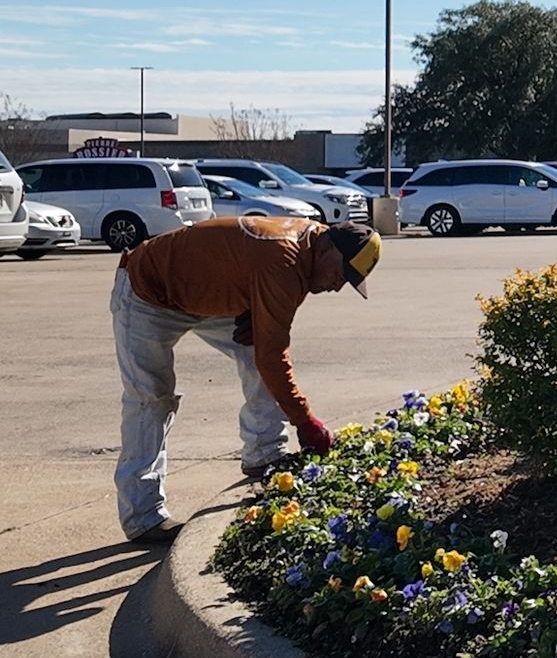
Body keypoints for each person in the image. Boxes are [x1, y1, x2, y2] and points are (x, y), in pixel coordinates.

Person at [112, 215, 380, 544]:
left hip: (205, 297)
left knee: (258, 352)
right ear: (326, 247)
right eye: (341, 274)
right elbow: (273, 355)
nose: (337, 286)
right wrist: (306, 422)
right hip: (149, 291)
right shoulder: (283, 256)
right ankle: (144, 519)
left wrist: (253, 308)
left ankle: (265, 454)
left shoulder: (308, 254)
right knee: (150, 400)